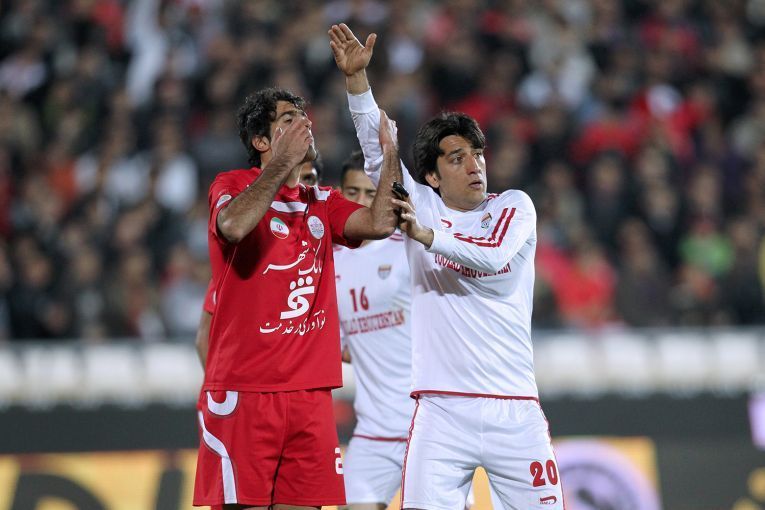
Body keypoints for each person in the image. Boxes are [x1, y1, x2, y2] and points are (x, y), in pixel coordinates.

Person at [329, 24, 564, 509]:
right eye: (457, 158)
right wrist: (357, 84)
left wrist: (426, 237)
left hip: (514, 409)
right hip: (440, 411)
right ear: (432, 176)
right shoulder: (421, 206)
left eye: (477, 154)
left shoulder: (513, 207)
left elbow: (492, 257)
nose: (475, 165)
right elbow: (378, 153)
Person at [193, 86, 401, 509]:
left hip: (310, 395)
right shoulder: (231, 185)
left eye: (304, 117)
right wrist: (283, 163)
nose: (304, 123)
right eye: (288, 119)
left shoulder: (321, 201)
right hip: (246, 390)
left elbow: (381, 222)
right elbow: (233, 226)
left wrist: (389, 154)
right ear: (261, 141)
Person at [334, 150, 414, 510]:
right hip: (374, 430)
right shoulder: (329, 262)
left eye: (371, 193)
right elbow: (338, 344)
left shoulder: (407, 251)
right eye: (353, 192)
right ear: (340, 193)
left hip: (427, 427)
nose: (362, 201)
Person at [194, 158, 325, 368]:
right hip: (258, 379)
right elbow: (205, 339)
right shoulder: (252, 256)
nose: (300, 186)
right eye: (292, 179)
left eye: (308, 179)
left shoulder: (334, 253)